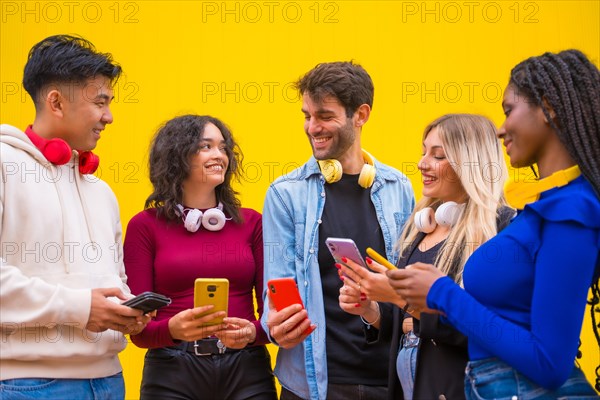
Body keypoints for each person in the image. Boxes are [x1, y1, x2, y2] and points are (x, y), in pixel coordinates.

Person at [389, 49, 600, 399]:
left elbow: (550, 362)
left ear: (547, 108)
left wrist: (442, 293)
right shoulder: (542, 209)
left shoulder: (571, 212)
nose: (500, 130)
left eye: (508, 110)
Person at [0, 35, 150, 399]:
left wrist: (124, 311)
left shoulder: (101, 191)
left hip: (110, 382)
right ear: (55, 101)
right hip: (29, 385)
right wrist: (80, 307)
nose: (109, 117)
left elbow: (115, 279)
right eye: (100, 102)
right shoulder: (4, 165)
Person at [261, 61, 415, 400]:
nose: (312, 127)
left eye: (325, 116)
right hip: (313, 383)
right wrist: (276, 326)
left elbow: (407, 286)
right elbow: (276, 285)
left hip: (390, 379)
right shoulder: (286, 193)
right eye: (307, 115)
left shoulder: (399, 188)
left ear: (360, 114)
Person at [337, 114, 514, 400]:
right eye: (423, 152)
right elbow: (408, 322)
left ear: (470, 163)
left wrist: (399, 298)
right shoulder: (421, 228)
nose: (422, 163)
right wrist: (370, 310)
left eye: (438, 155)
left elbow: (482, 329)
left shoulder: (501, 229)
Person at [124, 114, 277, 400]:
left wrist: (254, 332)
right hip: (171, 371)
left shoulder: (253, 223)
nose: (219, 155)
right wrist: (172, 329)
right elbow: (138, 332)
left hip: (247, 368)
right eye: (205, 146)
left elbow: (273, 315)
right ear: (177, 156)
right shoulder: (144, 226)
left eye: (223, 147)